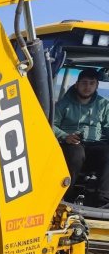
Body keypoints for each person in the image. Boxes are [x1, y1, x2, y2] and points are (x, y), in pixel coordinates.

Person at [53, 67, 109, 207]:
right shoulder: (63, 104)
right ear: (77, 84)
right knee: (76, 153)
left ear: (96, 85)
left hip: (94, 144)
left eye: (91, 83)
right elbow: (51, 125)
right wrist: (65, 136)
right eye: (84, 83)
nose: (87, 87)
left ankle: (102, 199)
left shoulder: (103, 104)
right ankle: (65, 195)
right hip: (71, 143)